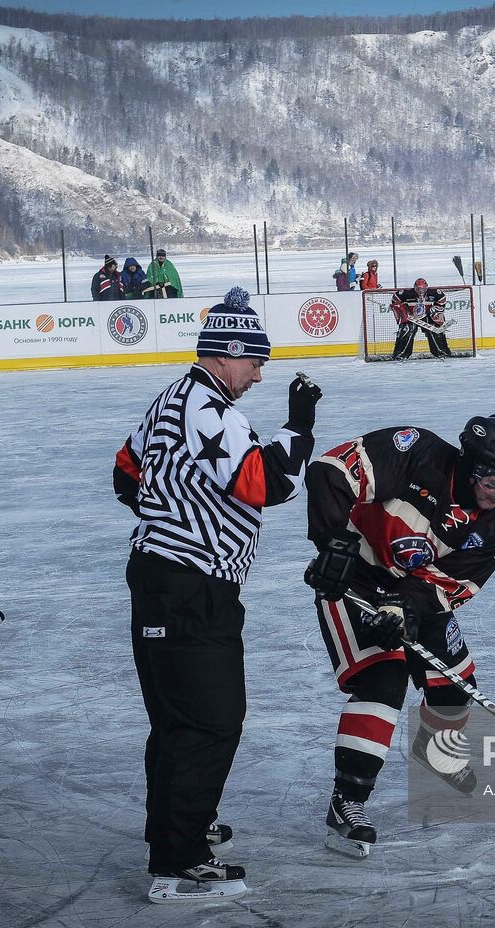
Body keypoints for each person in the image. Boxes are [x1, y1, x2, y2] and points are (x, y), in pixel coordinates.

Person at [112, 286, 320, 903]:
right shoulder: (209, 408)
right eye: (255, 362)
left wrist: (168, 510)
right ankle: (178, 863)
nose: (258, 375)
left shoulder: (171, 400)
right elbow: (268, 483)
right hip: (190, 586)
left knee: (181, 721)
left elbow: (125, 470)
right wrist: (299, 426)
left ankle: (180, 831)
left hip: (165, 578)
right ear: (227, 354)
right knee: (210, 722)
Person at [303, 414, 495, 858]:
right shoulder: (415, 452)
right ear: (472, 469)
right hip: (356, 582)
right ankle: (346, 801)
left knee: (454, 691)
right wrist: (334, 546)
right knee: (383, 682)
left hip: (420, 596)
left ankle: (439, 764)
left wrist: (403, 606)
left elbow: (447, 586)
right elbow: (329, 472)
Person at [390, 278, 450, 360]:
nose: (420, 291)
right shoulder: (406, 293)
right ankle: (400, 353)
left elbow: (442, 300)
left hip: (427, 315)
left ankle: (442, 352)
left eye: (422, 288)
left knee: (435, 329)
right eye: (418, 288)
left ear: (426, 287)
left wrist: (435, 310)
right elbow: (395, 299)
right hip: (410, 317)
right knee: (407, 330)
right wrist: (401, 309)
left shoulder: (434, 293)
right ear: (414, 287)